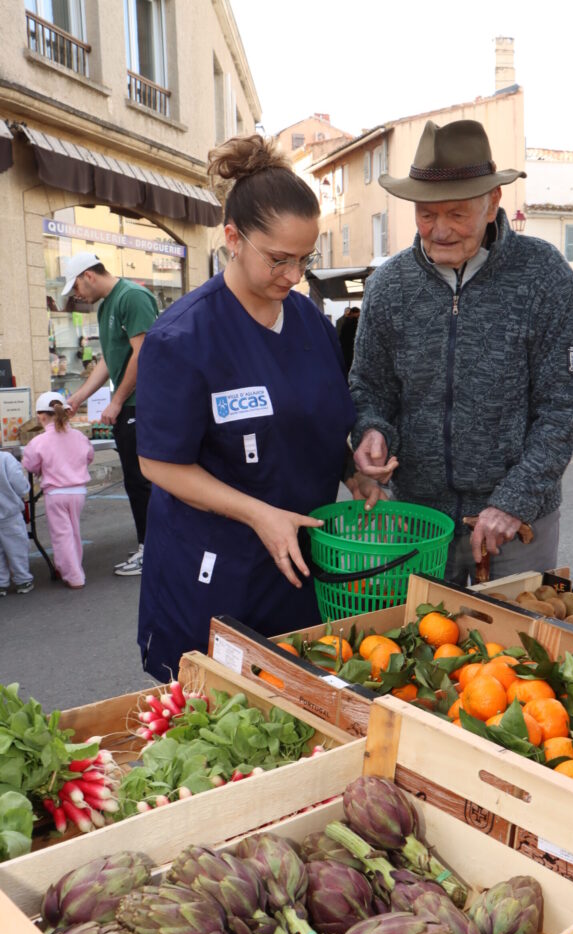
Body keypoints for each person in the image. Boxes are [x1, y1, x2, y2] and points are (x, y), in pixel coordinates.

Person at [135, 134, 363, 682]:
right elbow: (159, 463)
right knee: (213, 715)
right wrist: (259, 513)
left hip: (297, 563)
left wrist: (356, 472)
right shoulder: (183, 337)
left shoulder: (309, 322)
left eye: (305, 260)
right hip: (215, 567)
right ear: (233, 239)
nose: (293, 276)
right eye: (278, 259)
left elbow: (322, 420)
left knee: (297, 698)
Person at [349, 119, 573, 583]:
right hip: (416, 520)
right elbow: (368, 386)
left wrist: (513, 501)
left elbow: (564, 405)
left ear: (492, 203)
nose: (438, 230)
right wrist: (371, 430)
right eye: (425, 214)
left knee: (517, 650)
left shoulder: (544, 275)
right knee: (418, 644)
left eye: (456, 213)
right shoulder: (387, 285)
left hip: (518, 523)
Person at [61, 251, 158, 576]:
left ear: (88, 275)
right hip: (129, 406)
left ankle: (153, 550)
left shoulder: (131, 297)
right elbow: (109, 360)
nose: (76, 295)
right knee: (135, 480)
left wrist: (116, 401)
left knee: (143, 481)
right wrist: (79, 397)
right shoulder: (107, 306)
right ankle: (150, 545)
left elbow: (142, 353)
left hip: (142, 405)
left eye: (75, 286)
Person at [22, 392, 94, 589]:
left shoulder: (39, 441)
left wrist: (40, 470)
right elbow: (89, 456)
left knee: (62, 535)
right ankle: (71, 566)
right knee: (74, 531)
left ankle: (74, 575)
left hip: (55, 494)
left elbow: (29, 464)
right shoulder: (79, 436)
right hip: (78, 492)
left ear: (42, 416)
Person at [0, 450, 33, 596]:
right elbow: (20, 485)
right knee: (17, 547)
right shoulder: (6, 458)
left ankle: (1, 582)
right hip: (9, 512)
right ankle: (22, 579)